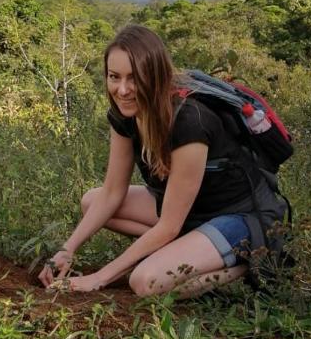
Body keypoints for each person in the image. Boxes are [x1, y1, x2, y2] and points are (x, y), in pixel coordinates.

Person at [38, 25, 287, 298]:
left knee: (146, 282)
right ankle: (192, 248)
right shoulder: (125, 114)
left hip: (240, 216)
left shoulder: (188, 121)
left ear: (155, 76)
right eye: (114, 77)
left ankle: (246, 263)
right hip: (192, 214)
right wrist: (67, 248)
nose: (122, 90)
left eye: (134, 78)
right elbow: (112, 192)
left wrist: (99, 278)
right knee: (91, 201)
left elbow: (168, 225)